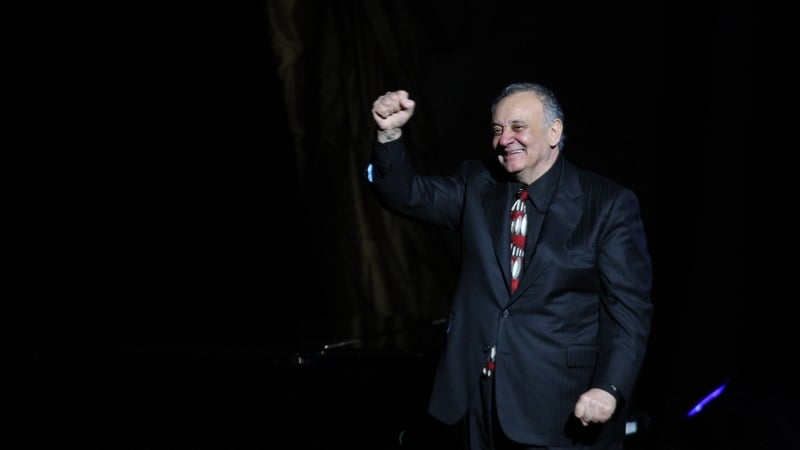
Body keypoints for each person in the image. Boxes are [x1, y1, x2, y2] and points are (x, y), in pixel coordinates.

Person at [366, 82, 653, 449]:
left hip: (560, 409)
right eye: (498, 130)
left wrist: (609, 387)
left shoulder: (608, 204)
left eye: (518, 127)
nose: (505, 139)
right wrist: (389, 135)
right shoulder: (478, 184)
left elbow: (629, 312)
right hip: (477, 403)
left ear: (554, 131)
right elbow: (405, 194)